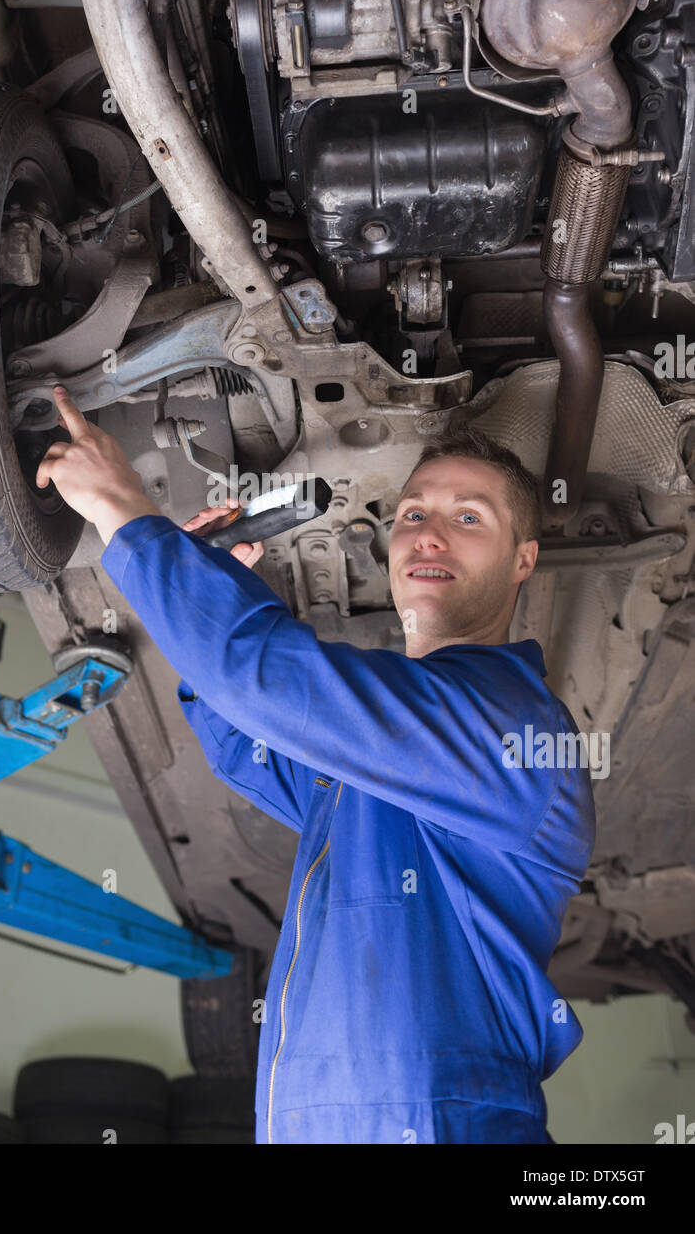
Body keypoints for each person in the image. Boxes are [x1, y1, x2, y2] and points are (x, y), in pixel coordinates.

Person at [37, 383, 596, 1145]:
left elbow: (265, 684)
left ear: (523, 559)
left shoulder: (507, 724)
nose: (429, 535)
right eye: (413, 514)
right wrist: (215, 582)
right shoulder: (394, 755)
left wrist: (125, 512)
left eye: (470, 519)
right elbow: (256, 743)